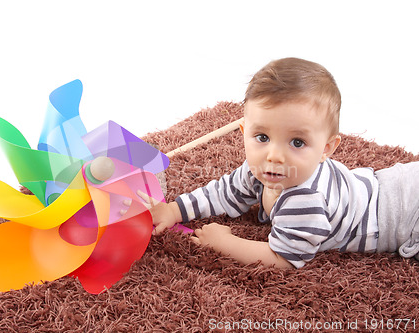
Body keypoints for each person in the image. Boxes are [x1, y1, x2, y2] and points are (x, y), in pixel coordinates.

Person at [136, 57, 419, 269]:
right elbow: (224, 192)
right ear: (243, 130)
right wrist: (174, 210)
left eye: (297, 142)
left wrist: (225, 243)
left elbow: (285, 258)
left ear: (327, 148)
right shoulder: (262, 168)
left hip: (404, 214)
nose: (274, 155)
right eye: (262, 136)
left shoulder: (307, 199)